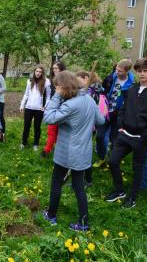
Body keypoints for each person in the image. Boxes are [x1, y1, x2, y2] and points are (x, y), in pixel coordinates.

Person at [43, 71, 105, 231]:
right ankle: (83, 223)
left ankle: (51, 215)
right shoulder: (89, 100)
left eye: (58, 86)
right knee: (78, 187)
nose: (56, 89)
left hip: (67, 152)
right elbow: (101, 120)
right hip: (84, 151)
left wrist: (56, 97)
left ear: (63, 87)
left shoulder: (69, 105)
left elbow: (48, 118)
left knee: (56, 183)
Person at [105, 58, 147, 208]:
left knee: (137, 168)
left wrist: (145, 136)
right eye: (139, 71)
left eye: (145, 71)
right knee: (113, 161)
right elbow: (123, 109)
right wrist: (120, 126)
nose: (142, 74)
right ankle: (120, 190)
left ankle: (132, 198)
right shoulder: (131, 89)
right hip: (124, 134)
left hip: (140, 138)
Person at [94, 59, 135, 168]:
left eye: (120, 71)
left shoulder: (131, 85)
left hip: (118, 116)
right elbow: (103, 92)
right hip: (105, 112)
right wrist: (99, 91)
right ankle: (101, 157)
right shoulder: (110, 78)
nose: (117, 72)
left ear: (127, 71)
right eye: (116, 69)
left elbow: (129, 102)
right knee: (99, 137)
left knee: (114, 140)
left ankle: (113, 161)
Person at [76, 70, 104, 187]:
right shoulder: (88, 90)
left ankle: (87, 179)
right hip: (86, 126)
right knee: (82, 151)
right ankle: (82, 178)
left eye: (78, 80)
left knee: (84, 152)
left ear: (86, 79)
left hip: (88, 126)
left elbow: (88, 109)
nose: (76, 82)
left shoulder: (92, 91)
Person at [20, 65, 51, 151]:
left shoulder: (46, 82)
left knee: (37, 127)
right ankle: (23, 143)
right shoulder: (29, 81)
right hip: (28, 108)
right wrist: (22, 105)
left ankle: (35, 144)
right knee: (26, 126)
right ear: (34, 72)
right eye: (36, 71)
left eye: (40, 72)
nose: (38, 73)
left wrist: (45, 107)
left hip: (39, 109)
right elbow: (26, 94)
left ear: (42, 73)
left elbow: (48, 97)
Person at [41, 61, 66, 157]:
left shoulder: (64, 80)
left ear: (61, 69)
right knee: (52, 130)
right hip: (53, 106)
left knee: (54, 129)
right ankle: (51, 149)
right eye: (53, 68)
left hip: (61, 108)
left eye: (56, 68)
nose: (54, 70)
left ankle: (47, 150)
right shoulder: (53, 79)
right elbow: (50, 95)